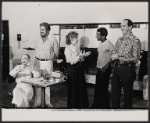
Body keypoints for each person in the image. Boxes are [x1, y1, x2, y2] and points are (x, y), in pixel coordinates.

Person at [111, 19, 141, 109]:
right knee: (114, 95)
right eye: (121, 26)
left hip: (127, 70)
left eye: (124, 26)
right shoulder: (119, 39)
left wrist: (119, 57)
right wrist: (113, 55)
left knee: (127, 96)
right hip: (117, 69)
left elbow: (136, 58)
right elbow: (114, 52)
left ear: (130, 27)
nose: (121, 28)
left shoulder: (135, 40)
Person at [33, 22, 59, 108]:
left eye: (43, 29)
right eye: (40, 29)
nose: (41, 31)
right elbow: (36, 51)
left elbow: (56, 53)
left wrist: (49, 59)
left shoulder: (53, 39)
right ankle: (38, 102)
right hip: (37, 62)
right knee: (37, 82)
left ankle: (47, 102)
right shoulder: (37, 39)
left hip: (47, 63)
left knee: (47, 82)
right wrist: (36, 60)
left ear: (48, 30)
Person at [64, 31, 90, 108]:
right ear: (71, 39)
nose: (78, 40)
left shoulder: (77, 47)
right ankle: (73, 107)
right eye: (76, 39)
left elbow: (79, 60)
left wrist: (83, 57)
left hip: (79, 69)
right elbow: (70, 61)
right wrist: (79, 56)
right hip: (72, 70)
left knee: (81, 88)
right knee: (73, 89)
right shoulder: (67, 48)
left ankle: (81, 106)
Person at [92, 27, 114, 109]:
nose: (96, 36)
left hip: (105, 69)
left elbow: (115, 56)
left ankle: (104, 107)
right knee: (98, 88)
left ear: (103, 36)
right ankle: (97, 105)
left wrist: (107, 65)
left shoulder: (109, 43)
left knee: (103, 89)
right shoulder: (100, 43)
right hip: (99, 69)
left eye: (98, 35)